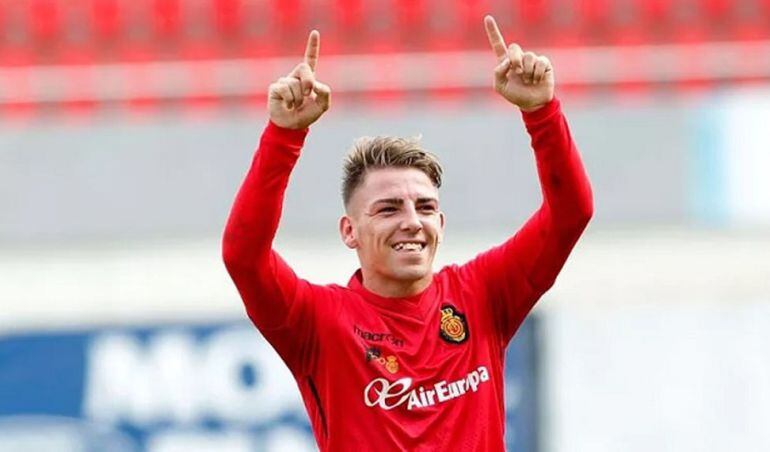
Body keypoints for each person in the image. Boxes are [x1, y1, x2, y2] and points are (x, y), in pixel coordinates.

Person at [222, 15, 593, 451]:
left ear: (441, 224)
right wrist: (284, 137)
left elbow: (570, 214)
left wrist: (541, 113)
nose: (412, 221)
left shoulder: (484, 294)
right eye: (388, 209)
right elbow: (243, 256)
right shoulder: (318, 322)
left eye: (426, 207)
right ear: (349, 231)